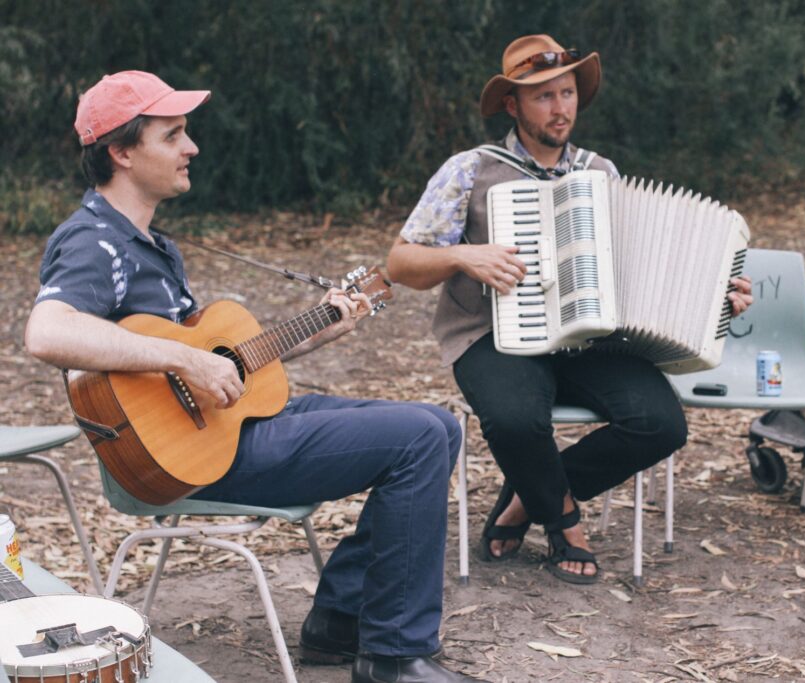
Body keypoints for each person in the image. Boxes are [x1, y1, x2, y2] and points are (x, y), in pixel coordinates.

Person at [24, 71, 476, 683]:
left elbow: (220, 366)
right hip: (186, 461)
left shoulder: (152, 244)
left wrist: (320, 327)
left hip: (227, 430)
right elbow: (47, 333)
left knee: (439, 426)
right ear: (122, 152)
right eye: (174, 135)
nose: (193, 148)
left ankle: (340, 623)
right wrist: (186, 359)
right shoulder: (91, 242)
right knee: (418, 438)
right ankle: (394, 658)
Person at [387, 35, 754, 585]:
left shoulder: (600, 173)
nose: (560, 109)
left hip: (588, 337)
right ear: (512, 105)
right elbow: (399, 263)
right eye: (543, 98)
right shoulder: (471, 170)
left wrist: (715, 294)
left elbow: (640, 269)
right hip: (492, 335)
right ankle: (565, 526)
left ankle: (524, 504)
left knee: (661, 423)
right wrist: (463, 255)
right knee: (515, 417)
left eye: (567, 93)